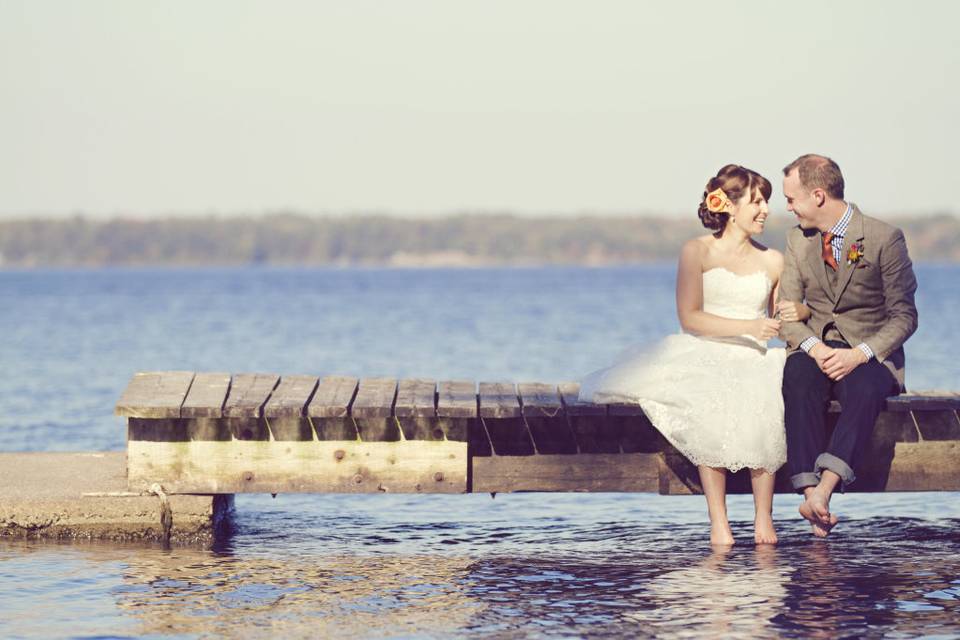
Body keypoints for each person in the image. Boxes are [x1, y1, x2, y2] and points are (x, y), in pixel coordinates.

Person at [578, 164, 808, 546]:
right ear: (730, 207)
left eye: (766, 200)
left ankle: (763, 521)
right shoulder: (696, 250)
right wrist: (748, 327)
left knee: (765, 399)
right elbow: (690, 317)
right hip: (706, 347)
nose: (766, 208)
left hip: (754, 356)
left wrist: (795, 313)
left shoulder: (773, 260)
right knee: (710, 399)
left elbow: (780, 319)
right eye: (757, 201)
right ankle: (720, 523)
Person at [779, 154, 918, 537]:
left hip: (868, 352)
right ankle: (810, 492)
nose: (787, 207)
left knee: (865, 386)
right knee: (797, 379)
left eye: (792, 199)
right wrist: (814, 348)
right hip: (815, 349)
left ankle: (825, 489)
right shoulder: (797, 239)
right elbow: (786, 315)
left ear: (818, 195)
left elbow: (905, 316)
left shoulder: (883, 238)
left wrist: (859, 354)